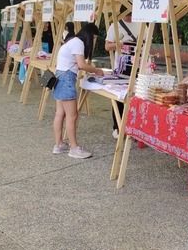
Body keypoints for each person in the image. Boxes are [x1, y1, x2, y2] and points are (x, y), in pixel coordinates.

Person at [52, 22, 103, 158]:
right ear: (90, 35)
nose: (93, 41)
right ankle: (74, 148)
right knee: (72, 116)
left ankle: (59, 145)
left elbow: (77, 64)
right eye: (93, 38)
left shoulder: (72, 41)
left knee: (60, 114)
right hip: (66, 80)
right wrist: (97, 70)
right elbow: (81, 64)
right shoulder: (78, 43)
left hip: (59, 78)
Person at [105, 13, 139, 139]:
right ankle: (117, 127)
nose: (130, 17)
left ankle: (133, 128)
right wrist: (120, 44)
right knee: (119, 97)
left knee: (135, 97)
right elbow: (107, 46)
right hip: (121, 67)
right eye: (128, 14)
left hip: (138, 65)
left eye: (131, 14)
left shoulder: (142, 24)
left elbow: (146, 43)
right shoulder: (115, 26)